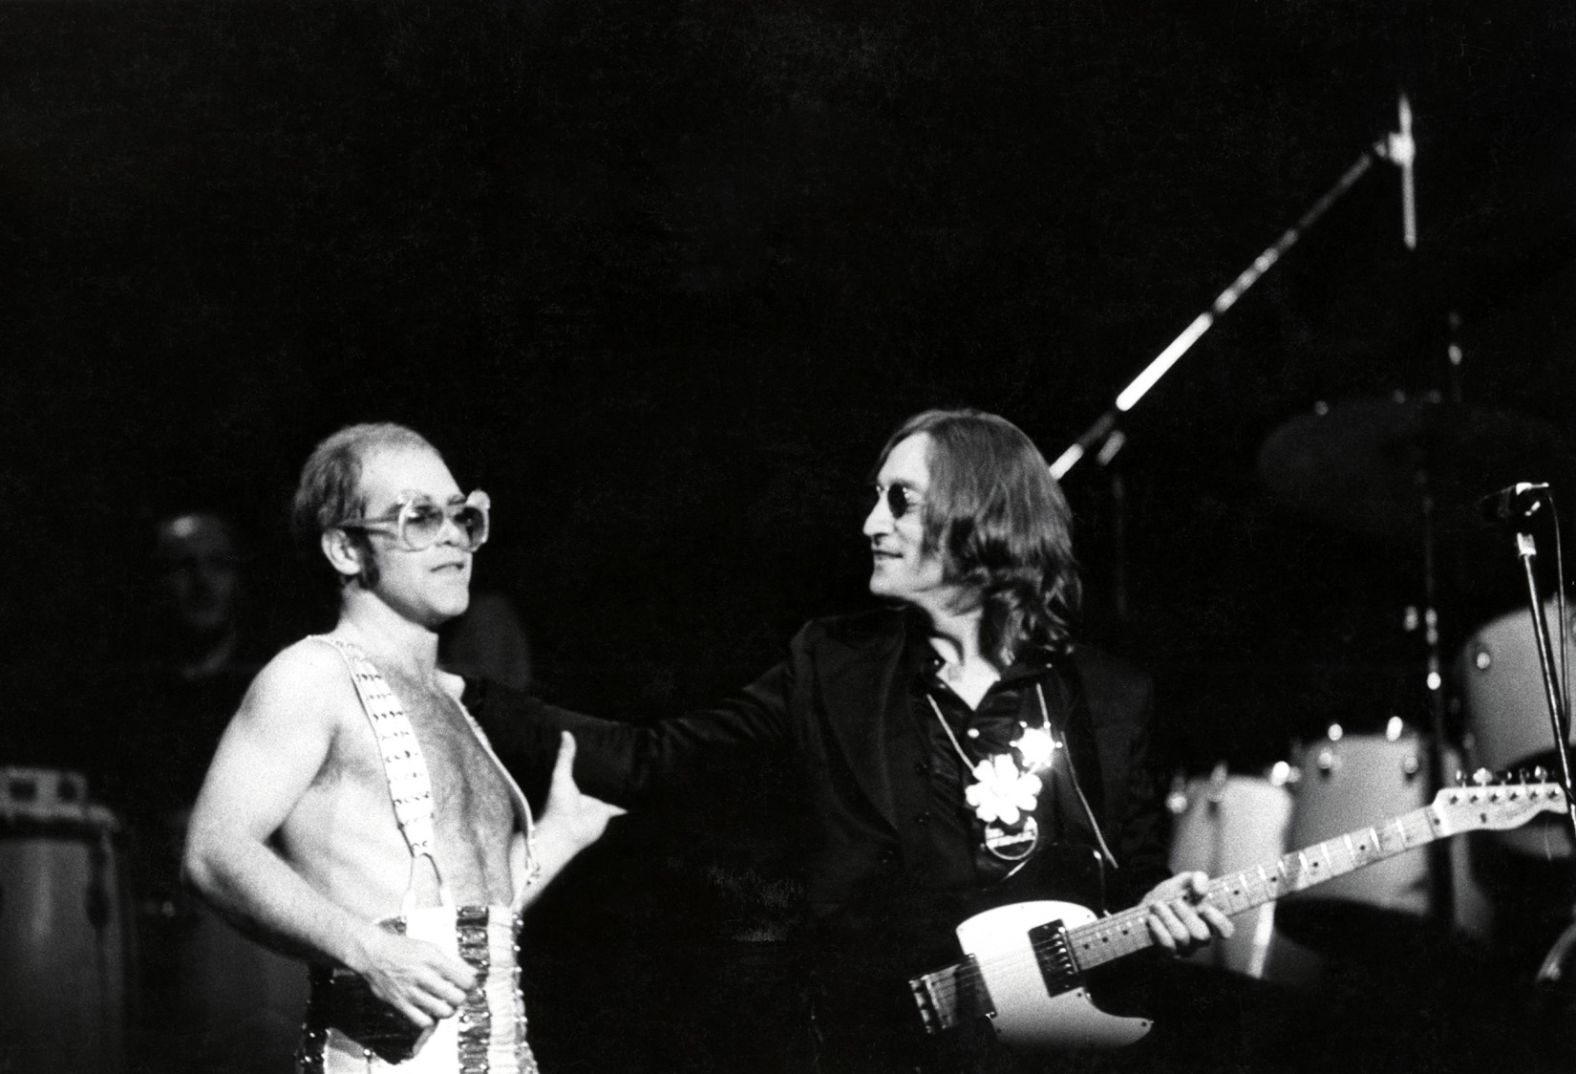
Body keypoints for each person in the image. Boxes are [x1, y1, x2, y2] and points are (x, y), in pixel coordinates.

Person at [469, 408, 1233, 1073]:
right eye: (877, 500)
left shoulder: (1105, 695)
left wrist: (1161, 904)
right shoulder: (834, 666)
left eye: (900, 502)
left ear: (980, 514)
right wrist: (461, 696)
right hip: (874, 1047)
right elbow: (651, 758)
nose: (871, 524)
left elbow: (1129, 875)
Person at [183, 422, 622, 1074]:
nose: (453, 535)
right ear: (346, 550)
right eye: (419, 517)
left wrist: (560, 833)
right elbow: (215, 851)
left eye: (463, 515)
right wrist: (370, 952)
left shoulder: (457, 706)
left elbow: (469, 918)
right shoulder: (314, 676)